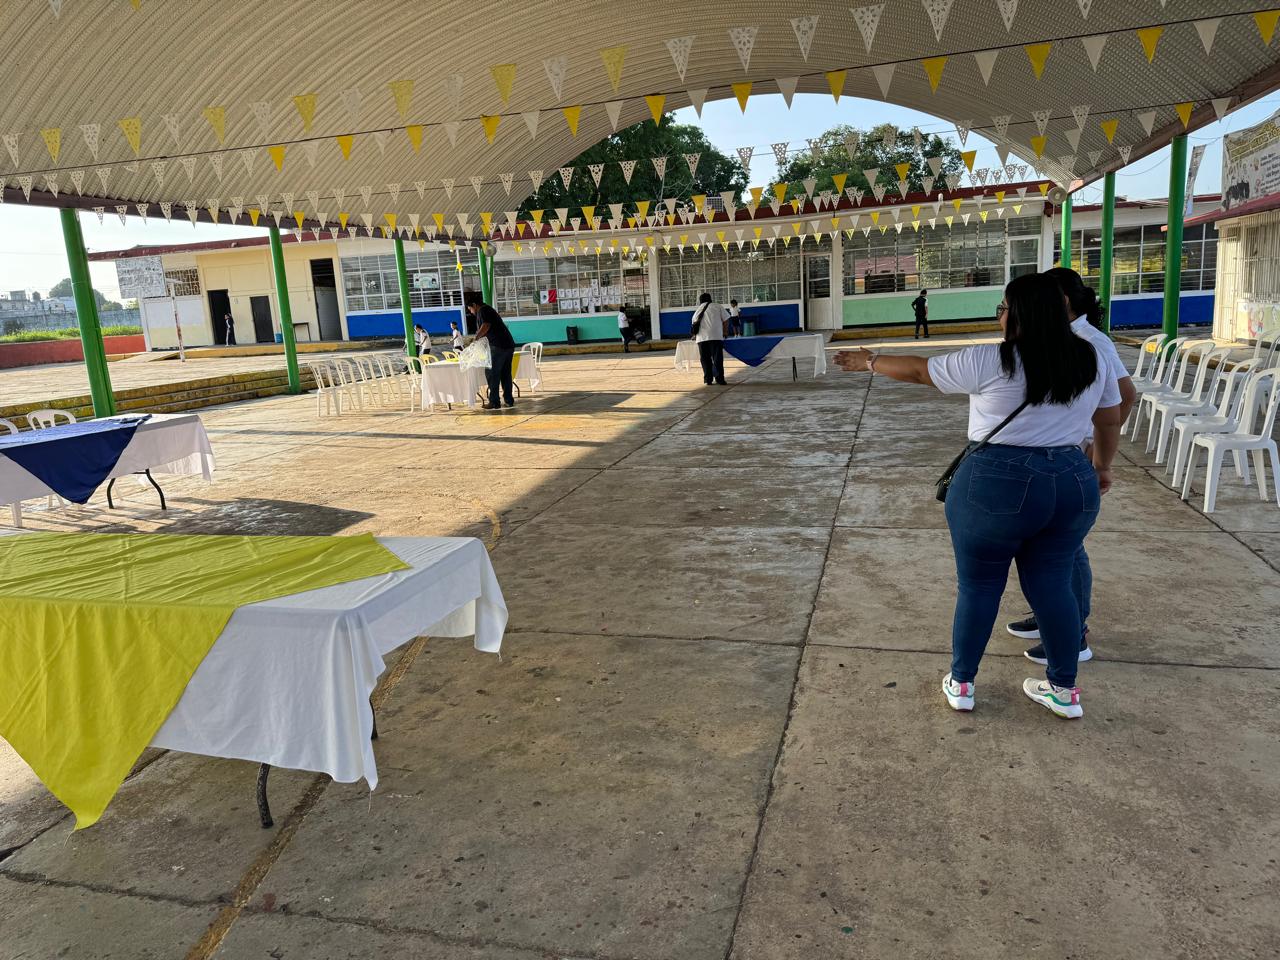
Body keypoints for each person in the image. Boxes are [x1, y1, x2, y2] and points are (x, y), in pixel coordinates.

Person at [833, 273, 1124, 720]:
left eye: (1003, 308)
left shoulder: (992, 359)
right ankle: (1064, 691)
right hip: (1070, 480)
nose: (1000, 316)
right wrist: (1101, 466)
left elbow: (920, 371)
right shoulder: (1091, 357)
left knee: (980, 584)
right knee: (1054, 583)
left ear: (1019, 315)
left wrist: (870, 361)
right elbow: (1110, 418)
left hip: (996, 481)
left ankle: (963, 683)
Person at [1005, 267, 1139, 665]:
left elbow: (1125, 396)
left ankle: (1073, 631)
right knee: (1046, 546)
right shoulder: (1064, 338)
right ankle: (1051, 616)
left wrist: (1096, 452)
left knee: (1067, 549)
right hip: (1056, 457)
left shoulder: (1089, 341)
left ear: (1060, 302)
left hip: (1071, 457)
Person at [466, 300, 515, 409]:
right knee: (505, 374)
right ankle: (509, 400)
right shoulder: (489, 309)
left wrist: (476, 338)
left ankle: (494, 402)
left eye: (470, 309)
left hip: (498, 346)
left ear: (474, 305)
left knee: (492, 373)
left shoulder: (482, 310)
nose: (472, 312)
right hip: (508, 345)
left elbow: (486, 325)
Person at [690, 292, 728, 386]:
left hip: (701, 338)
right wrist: (725, 332)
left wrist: (695, 336)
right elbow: (726, 319)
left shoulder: (698, 310)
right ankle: (720, 379)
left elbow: (694, 324)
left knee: (705, 359)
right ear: (710, 299)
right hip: (716, 336)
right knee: (717, 358)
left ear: (700, 300)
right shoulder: (717, 306)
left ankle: (708, 379)